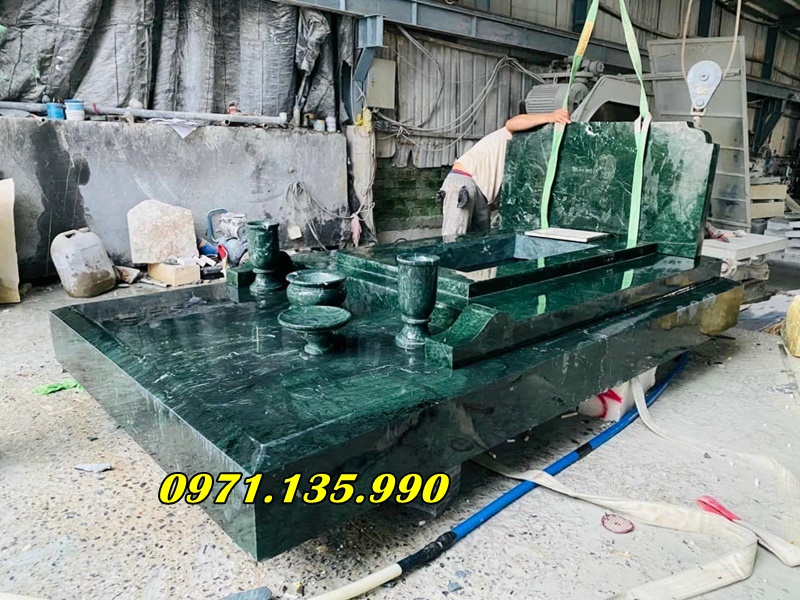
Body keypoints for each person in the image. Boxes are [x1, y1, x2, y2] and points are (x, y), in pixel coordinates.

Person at [438, 108, 571, 236]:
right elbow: (511, 123)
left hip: (482, 194)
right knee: (454, 238)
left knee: (479, 242)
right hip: (464, 181)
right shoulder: (513, 133)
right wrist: (550, 116)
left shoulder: (522, 155)